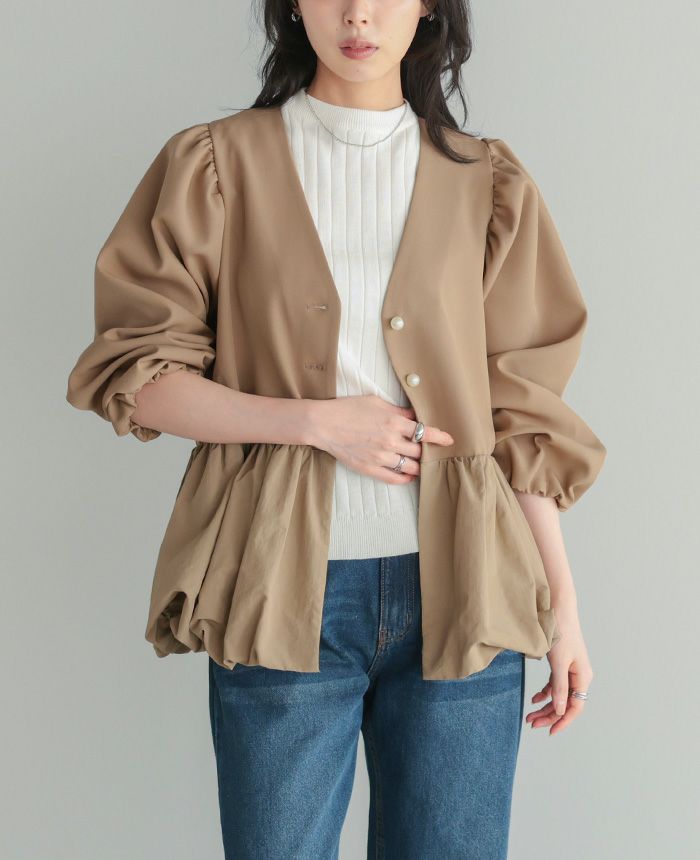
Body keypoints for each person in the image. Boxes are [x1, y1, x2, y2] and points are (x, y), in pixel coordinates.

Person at [65, 1, 607, 857]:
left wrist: (564, 610)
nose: (358, 15)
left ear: (426, 6)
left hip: (467, 590)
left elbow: (522, 421)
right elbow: (137, 377)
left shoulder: (489, 182)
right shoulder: (216, 165)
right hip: (279, 585)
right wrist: (316, 423)